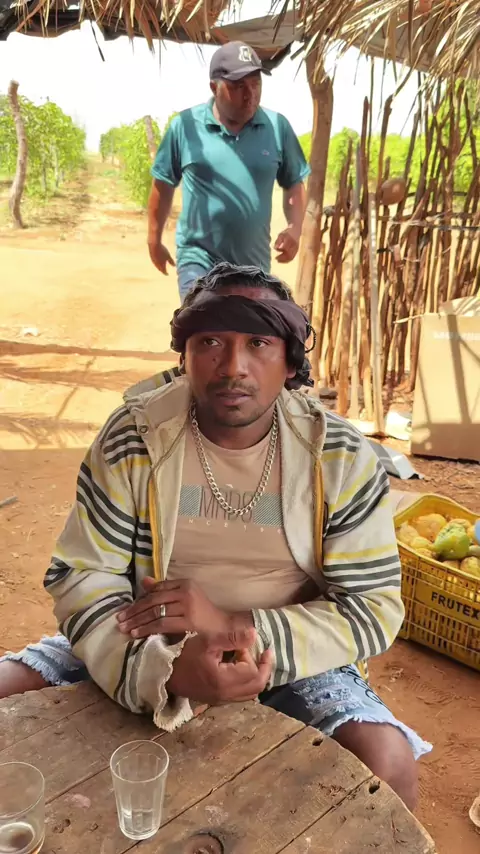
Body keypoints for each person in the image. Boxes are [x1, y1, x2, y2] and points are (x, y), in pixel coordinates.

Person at [0, 263, 431, 811]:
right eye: (210, 342)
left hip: (290, 654)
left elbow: (372, 607)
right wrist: (162, 669)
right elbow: (83, 575)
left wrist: (229, 627)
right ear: (184, 355)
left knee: (387, 763)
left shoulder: (338, 456)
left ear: (290, 363)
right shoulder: (135, 436)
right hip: (139, 633)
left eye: (258, 343)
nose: (233, 367)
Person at [147, 42, 310, 301]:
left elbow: (294, 184)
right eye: (238, 87)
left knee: (248, 327)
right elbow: (163, 184)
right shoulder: (186, 127)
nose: (250, 94)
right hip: (198, 260)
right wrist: (154, 239)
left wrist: (294, 228)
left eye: (255, 84)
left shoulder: (277, 127)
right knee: (203, 317)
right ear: (214, 87)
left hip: (253, 268)